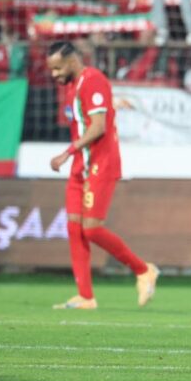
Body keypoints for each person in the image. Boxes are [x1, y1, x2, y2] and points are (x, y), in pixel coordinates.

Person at [45, 41, 159, 310]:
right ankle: (85, 296)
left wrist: (66, 153)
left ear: (72, 62)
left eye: (58, 68)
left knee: (92, 229)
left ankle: (144, 270)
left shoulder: (93, 80)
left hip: (100, 163)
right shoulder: (72, 86)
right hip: (81, 166)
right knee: (74, 228)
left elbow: (98, 128)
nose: (54, 74)